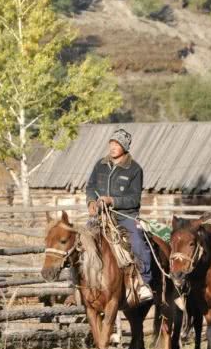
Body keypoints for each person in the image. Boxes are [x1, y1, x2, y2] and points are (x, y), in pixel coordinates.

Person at [86, 128, 153, 302]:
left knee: (138, 242)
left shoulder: (134, 169)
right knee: (81, 242)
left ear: (124, 147)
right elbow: (90, 186)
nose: (113, 147)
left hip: (125, 216)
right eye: (111, 143)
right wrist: (91, 201)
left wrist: (112, 201)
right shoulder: (100, 164)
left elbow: (134, 199)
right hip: (100, 216)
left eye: (117, 144)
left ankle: (144, 283)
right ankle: (76, 285)